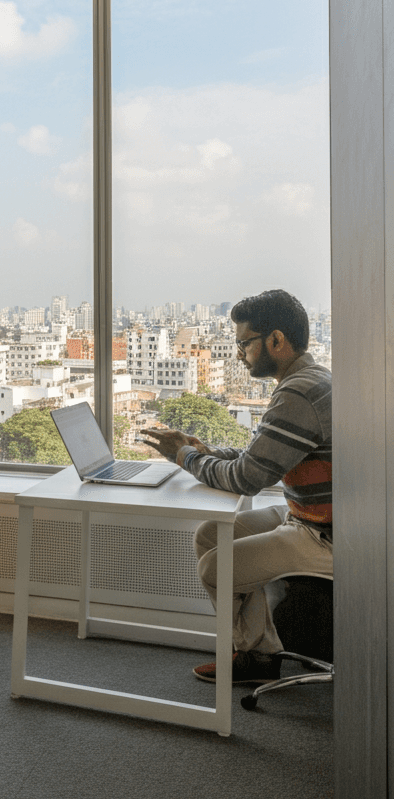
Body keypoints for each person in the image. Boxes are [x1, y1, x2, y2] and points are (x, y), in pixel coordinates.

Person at [142, 290, 332, 684]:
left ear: (276, 340)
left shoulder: (298, 392)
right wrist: (208, 452)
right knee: (210, 535)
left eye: (244, 343)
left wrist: (185, 458)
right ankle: (258, 650)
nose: (240, 354)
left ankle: (257, 657)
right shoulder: (310, 379)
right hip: (305, 516)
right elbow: (260, 456)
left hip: (326, 534)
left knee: (215, 568)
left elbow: (248, 478)